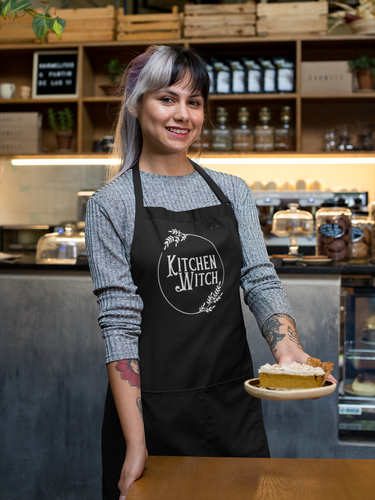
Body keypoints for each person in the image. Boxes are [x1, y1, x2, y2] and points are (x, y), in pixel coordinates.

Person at [85, 44, 328, 500]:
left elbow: (258, 278)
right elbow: (118, 323)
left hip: (232, 403)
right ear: (137, 105)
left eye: (194, 102)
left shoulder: (232, 191)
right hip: (151, 412)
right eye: (167, 98)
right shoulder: (110, 204)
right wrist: (136, 443)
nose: (183, 115)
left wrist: (288, 351)